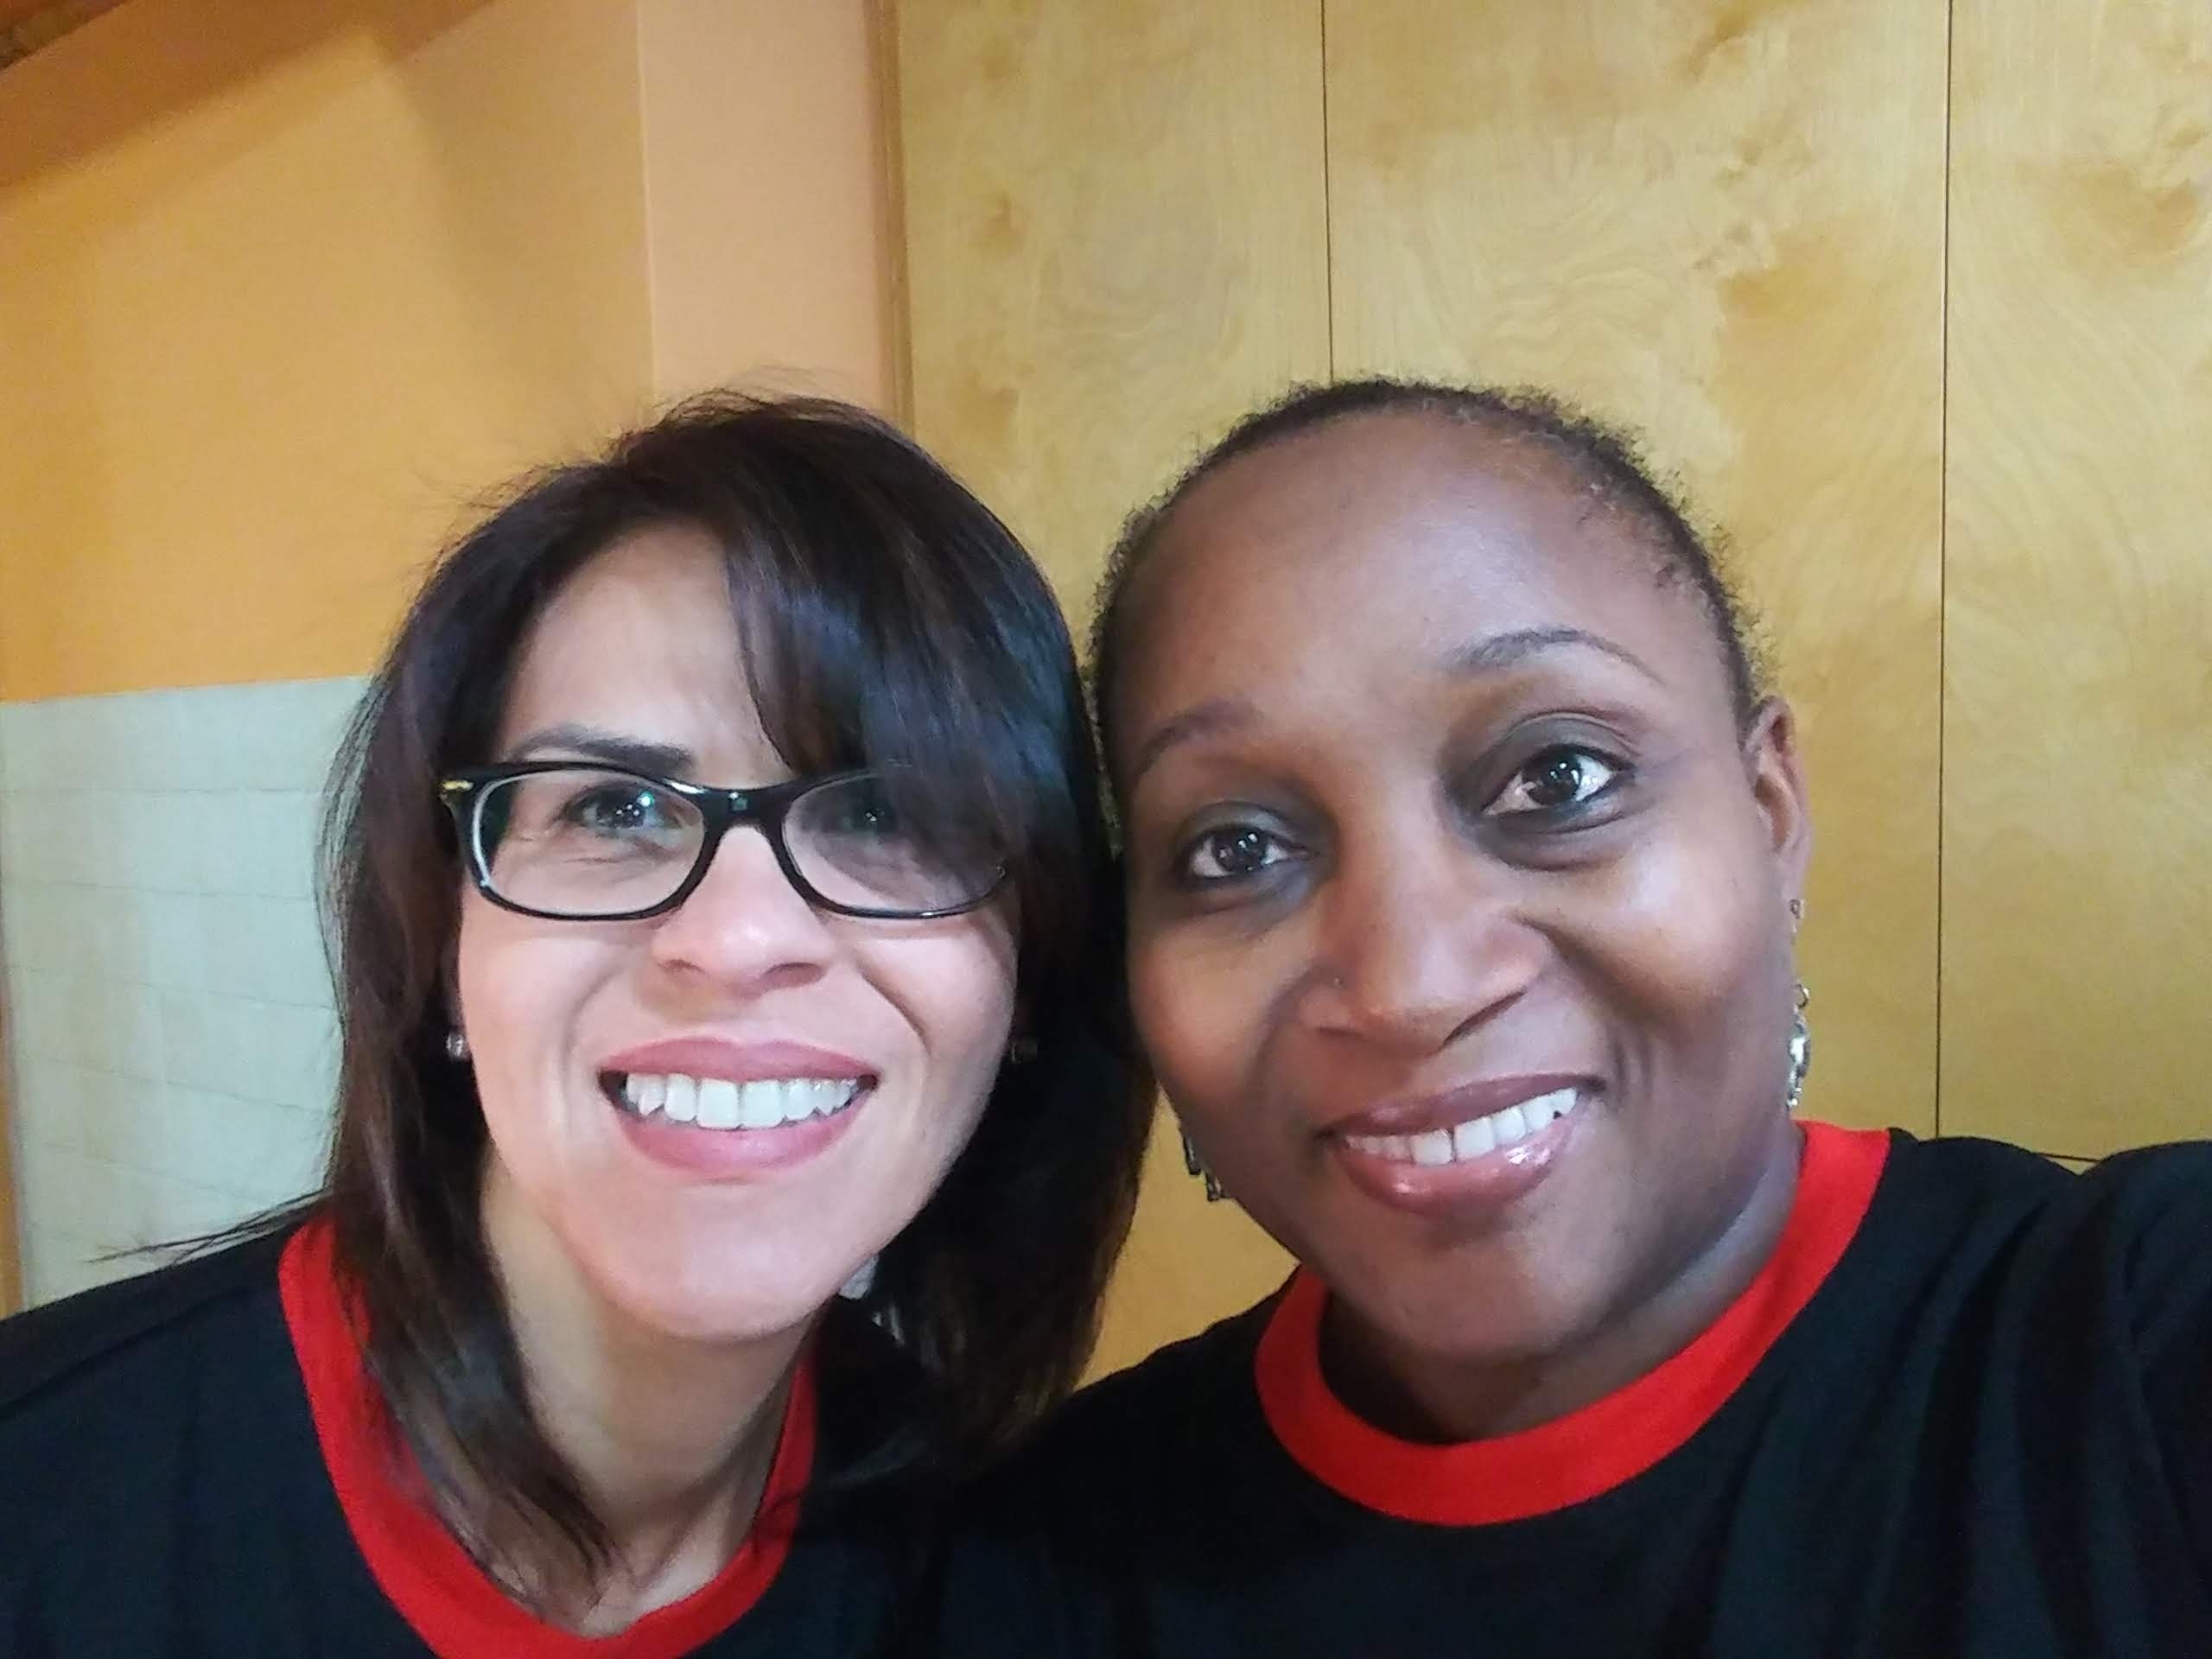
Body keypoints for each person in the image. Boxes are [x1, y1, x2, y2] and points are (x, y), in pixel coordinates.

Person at [938, 378, 2212, 1656]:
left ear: (1769, 813)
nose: (1411, 987)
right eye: (1237, 848)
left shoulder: (2134, 1346)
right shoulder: (1040, 1570)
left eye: (1559, 778)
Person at [0, 394, 1151, 1656]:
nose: (736, 938)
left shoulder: (996, 1575)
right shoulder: (47, 1505)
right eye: (612, 809)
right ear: (443, 944)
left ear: (1033, 973)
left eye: (887, 817)